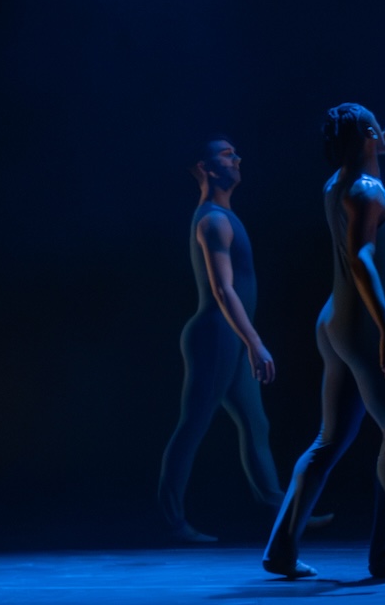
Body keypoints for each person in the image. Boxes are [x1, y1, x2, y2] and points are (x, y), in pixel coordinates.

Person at [262, 104, 385, 580]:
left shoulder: (340, 182)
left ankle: (280, 550)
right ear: (367, 133)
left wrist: (373, 147)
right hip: (364, 324)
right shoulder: (367, 191)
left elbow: (358, 181)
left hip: (335, 321)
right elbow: (362, 259)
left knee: (330, 438)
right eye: (377, 127)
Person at [158, 137, 283, 543]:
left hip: (228, 338)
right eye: (228, 154)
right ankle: (172, 522)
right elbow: (223, 290)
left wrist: (247, 340)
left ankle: (282, 514)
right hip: (215, 337)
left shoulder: (225, 216)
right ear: (207, 167)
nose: (238, 157)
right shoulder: (212, 220)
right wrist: (255, 342)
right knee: (193, 425)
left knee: (256, 423)